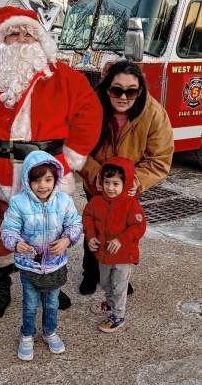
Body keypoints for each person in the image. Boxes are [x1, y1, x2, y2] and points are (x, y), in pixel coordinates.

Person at [0, 6, 103, 319]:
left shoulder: (64, 77)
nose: (20, 39)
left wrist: (71, 157)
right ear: (0, 42)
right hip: (0, 171)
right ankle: (0, 286)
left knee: (50, 227)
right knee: (2, 227)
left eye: (27, 32)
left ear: (39, 36)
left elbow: (90, 115)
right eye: (12, 33)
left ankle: (50, 284)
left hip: (47, 170)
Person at [79, 60, 174, 296]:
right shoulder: (91, 107)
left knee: (123, 229)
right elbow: (77, 148)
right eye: (116, 89)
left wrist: (134, 181)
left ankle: (120, 273)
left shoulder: (154, 114)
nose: (123, 97)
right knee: (94, 224)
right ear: (106, 88)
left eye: (131, 91)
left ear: (139, 90)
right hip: (97, 184)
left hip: (128, 190)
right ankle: (91, 271)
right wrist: (96, 174)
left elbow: (160, 159)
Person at [1, 150, 82, 360]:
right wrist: (17, 244)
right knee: (30, 304)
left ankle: (49, 332)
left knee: (52, 303)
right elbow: (8, 230)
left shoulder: (64, 201)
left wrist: (66, 240)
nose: (43, 186)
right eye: (36, 180)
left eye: (48, 179)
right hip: (29, 267)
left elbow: (75, 224)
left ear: (56, 179)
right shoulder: (19, 203)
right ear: (28, 181)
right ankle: (27, 334)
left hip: (55, 265)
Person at [83, 156, 146, 332]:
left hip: (122, 256)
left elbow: (139, 226)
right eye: (107, 182)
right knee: (105, 282)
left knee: (119, 286)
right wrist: (91, 236)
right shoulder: (96, 201)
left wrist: (122, 239)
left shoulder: (130, 204)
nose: (110, 188)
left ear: (125, 184)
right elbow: (87, 217)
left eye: (116, 184)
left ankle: (118, 316)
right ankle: (110, 304)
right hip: (103, 254)